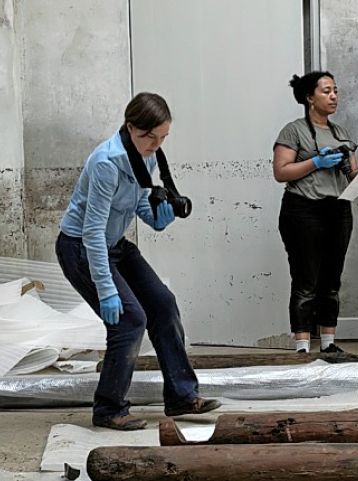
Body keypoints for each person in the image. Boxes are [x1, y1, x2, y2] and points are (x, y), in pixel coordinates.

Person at [56, 92, 220, 430]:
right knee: (130, 319)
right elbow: (92, 230)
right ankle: (108, 409)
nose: (156, 144)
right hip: (82, 247)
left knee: (163, 304)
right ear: (130, 127)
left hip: (114, 243)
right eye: (149, 136)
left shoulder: (146, 154)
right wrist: (106, 289)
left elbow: (142, 207)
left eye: (163, 138)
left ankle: (181, 397)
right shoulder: (106, 162)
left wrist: (164, 212)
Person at [273, 71, 358, 354]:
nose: (333, 96)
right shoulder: (293, 131)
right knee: (306, 279)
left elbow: (352, 174)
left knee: (331, 280)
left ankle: (330, 343)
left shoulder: (340, 133)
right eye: (326, 91)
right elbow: (281, 172)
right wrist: (315, 162)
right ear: (309, 98)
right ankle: (303, 345)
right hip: (303, 210)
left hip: (338, 209)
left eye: (335, 91)